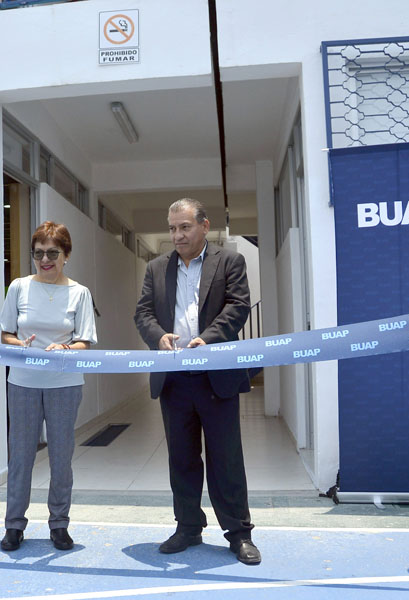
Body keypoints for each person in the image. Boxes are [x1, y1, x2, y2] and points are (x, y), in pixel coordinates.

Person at [134, 198, 260, 565]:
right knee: (183, 459)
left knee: (226, 459)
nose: (177, 234)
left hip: (216, 375)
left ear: (204, 226)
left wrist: (210, 337)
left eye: (184, 227)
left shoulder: (229, 261)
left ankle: (239, 534)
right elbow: (143, 312)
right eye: (172, 228)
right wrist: (157, 336)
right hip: (174, 378)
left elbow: (238, 305)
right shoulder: (156, 267)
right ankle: (188, 527)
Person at [0, 221, 97, 552]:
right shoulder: (19, 287)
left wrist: (66, 349)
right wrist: (18, 345)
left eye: (52, 253)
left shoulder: (79, 293)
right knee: (22, 456)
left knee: (60, 456)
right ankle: (14, 524)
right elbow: (5, 334)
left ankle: (59, 523)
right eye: (38, 253)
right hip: (23, 382)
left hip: (64, 384)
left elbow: (85, 341)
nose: (45, 260)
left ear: (66, 255)